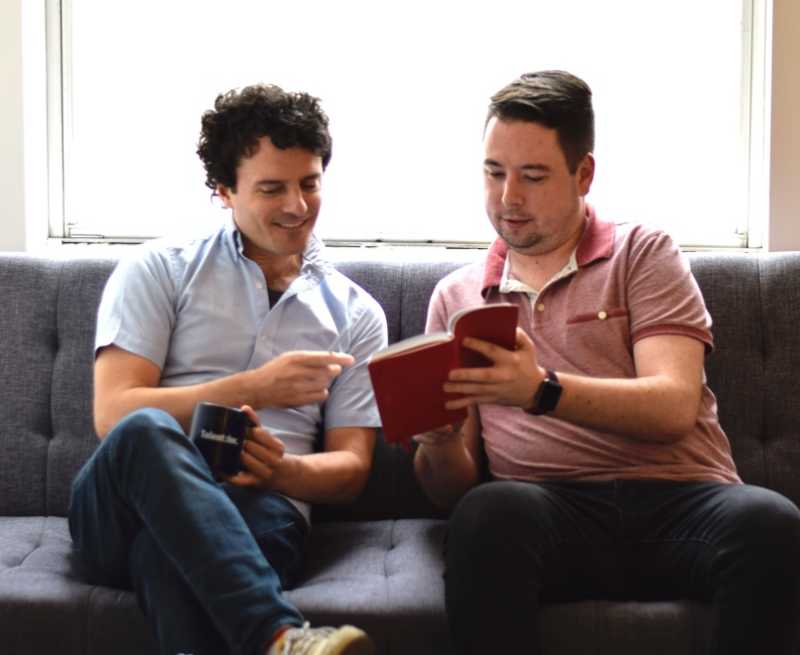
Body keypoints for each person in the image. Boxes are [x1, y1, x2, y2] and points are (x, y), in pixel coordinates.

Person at [413, 70, 800, 654]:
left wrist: (540, 389)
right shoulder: (456, 297)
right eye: (494, 173)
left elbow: (673, 406)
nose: (507, 197)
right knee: (483, 514)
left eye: (533, 176)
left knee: (771, 523)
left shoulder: (643, 253)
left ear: (583, 174)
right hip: (547, 510)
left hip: (681, 502)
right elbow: (448, 491)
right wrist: (439, 443)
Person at [68, 84, 386, 655]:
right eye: (271, 188)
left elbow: (353, 468)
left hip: (263, 508)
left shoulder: (356, 313)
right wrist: (254, 388)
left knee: (166, 559)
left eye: (309, 184)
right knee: (144, 429)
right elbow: (112, 414)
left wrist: (283, 470)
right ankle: (280, 634)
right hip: (125, 503)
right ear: (223, 191)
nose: (297, 206)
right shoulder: (159, 270)